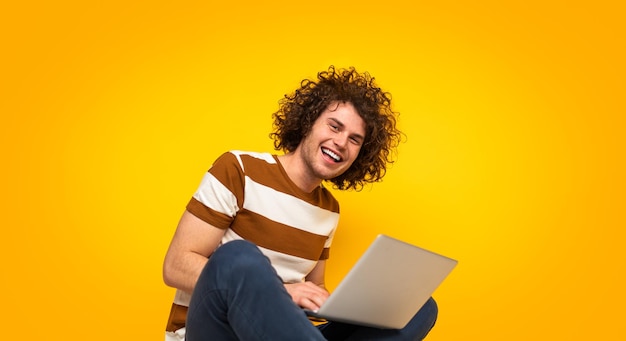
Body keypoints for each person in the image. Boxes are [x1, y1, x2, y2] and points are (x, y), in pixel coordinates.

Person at [162, 66, 439, 340]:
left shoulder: (328, 210)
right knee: (240, 257)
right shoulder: (238, 169)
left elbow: (313, 289)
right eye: (334, 126)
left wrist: (339, 305)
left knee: (418, 308)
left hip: (283, 333)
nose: (341, 142)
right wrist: (281, 291)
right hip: (218, 329)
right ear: (308, 122)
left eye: (355, 139)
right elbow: (175, 266)